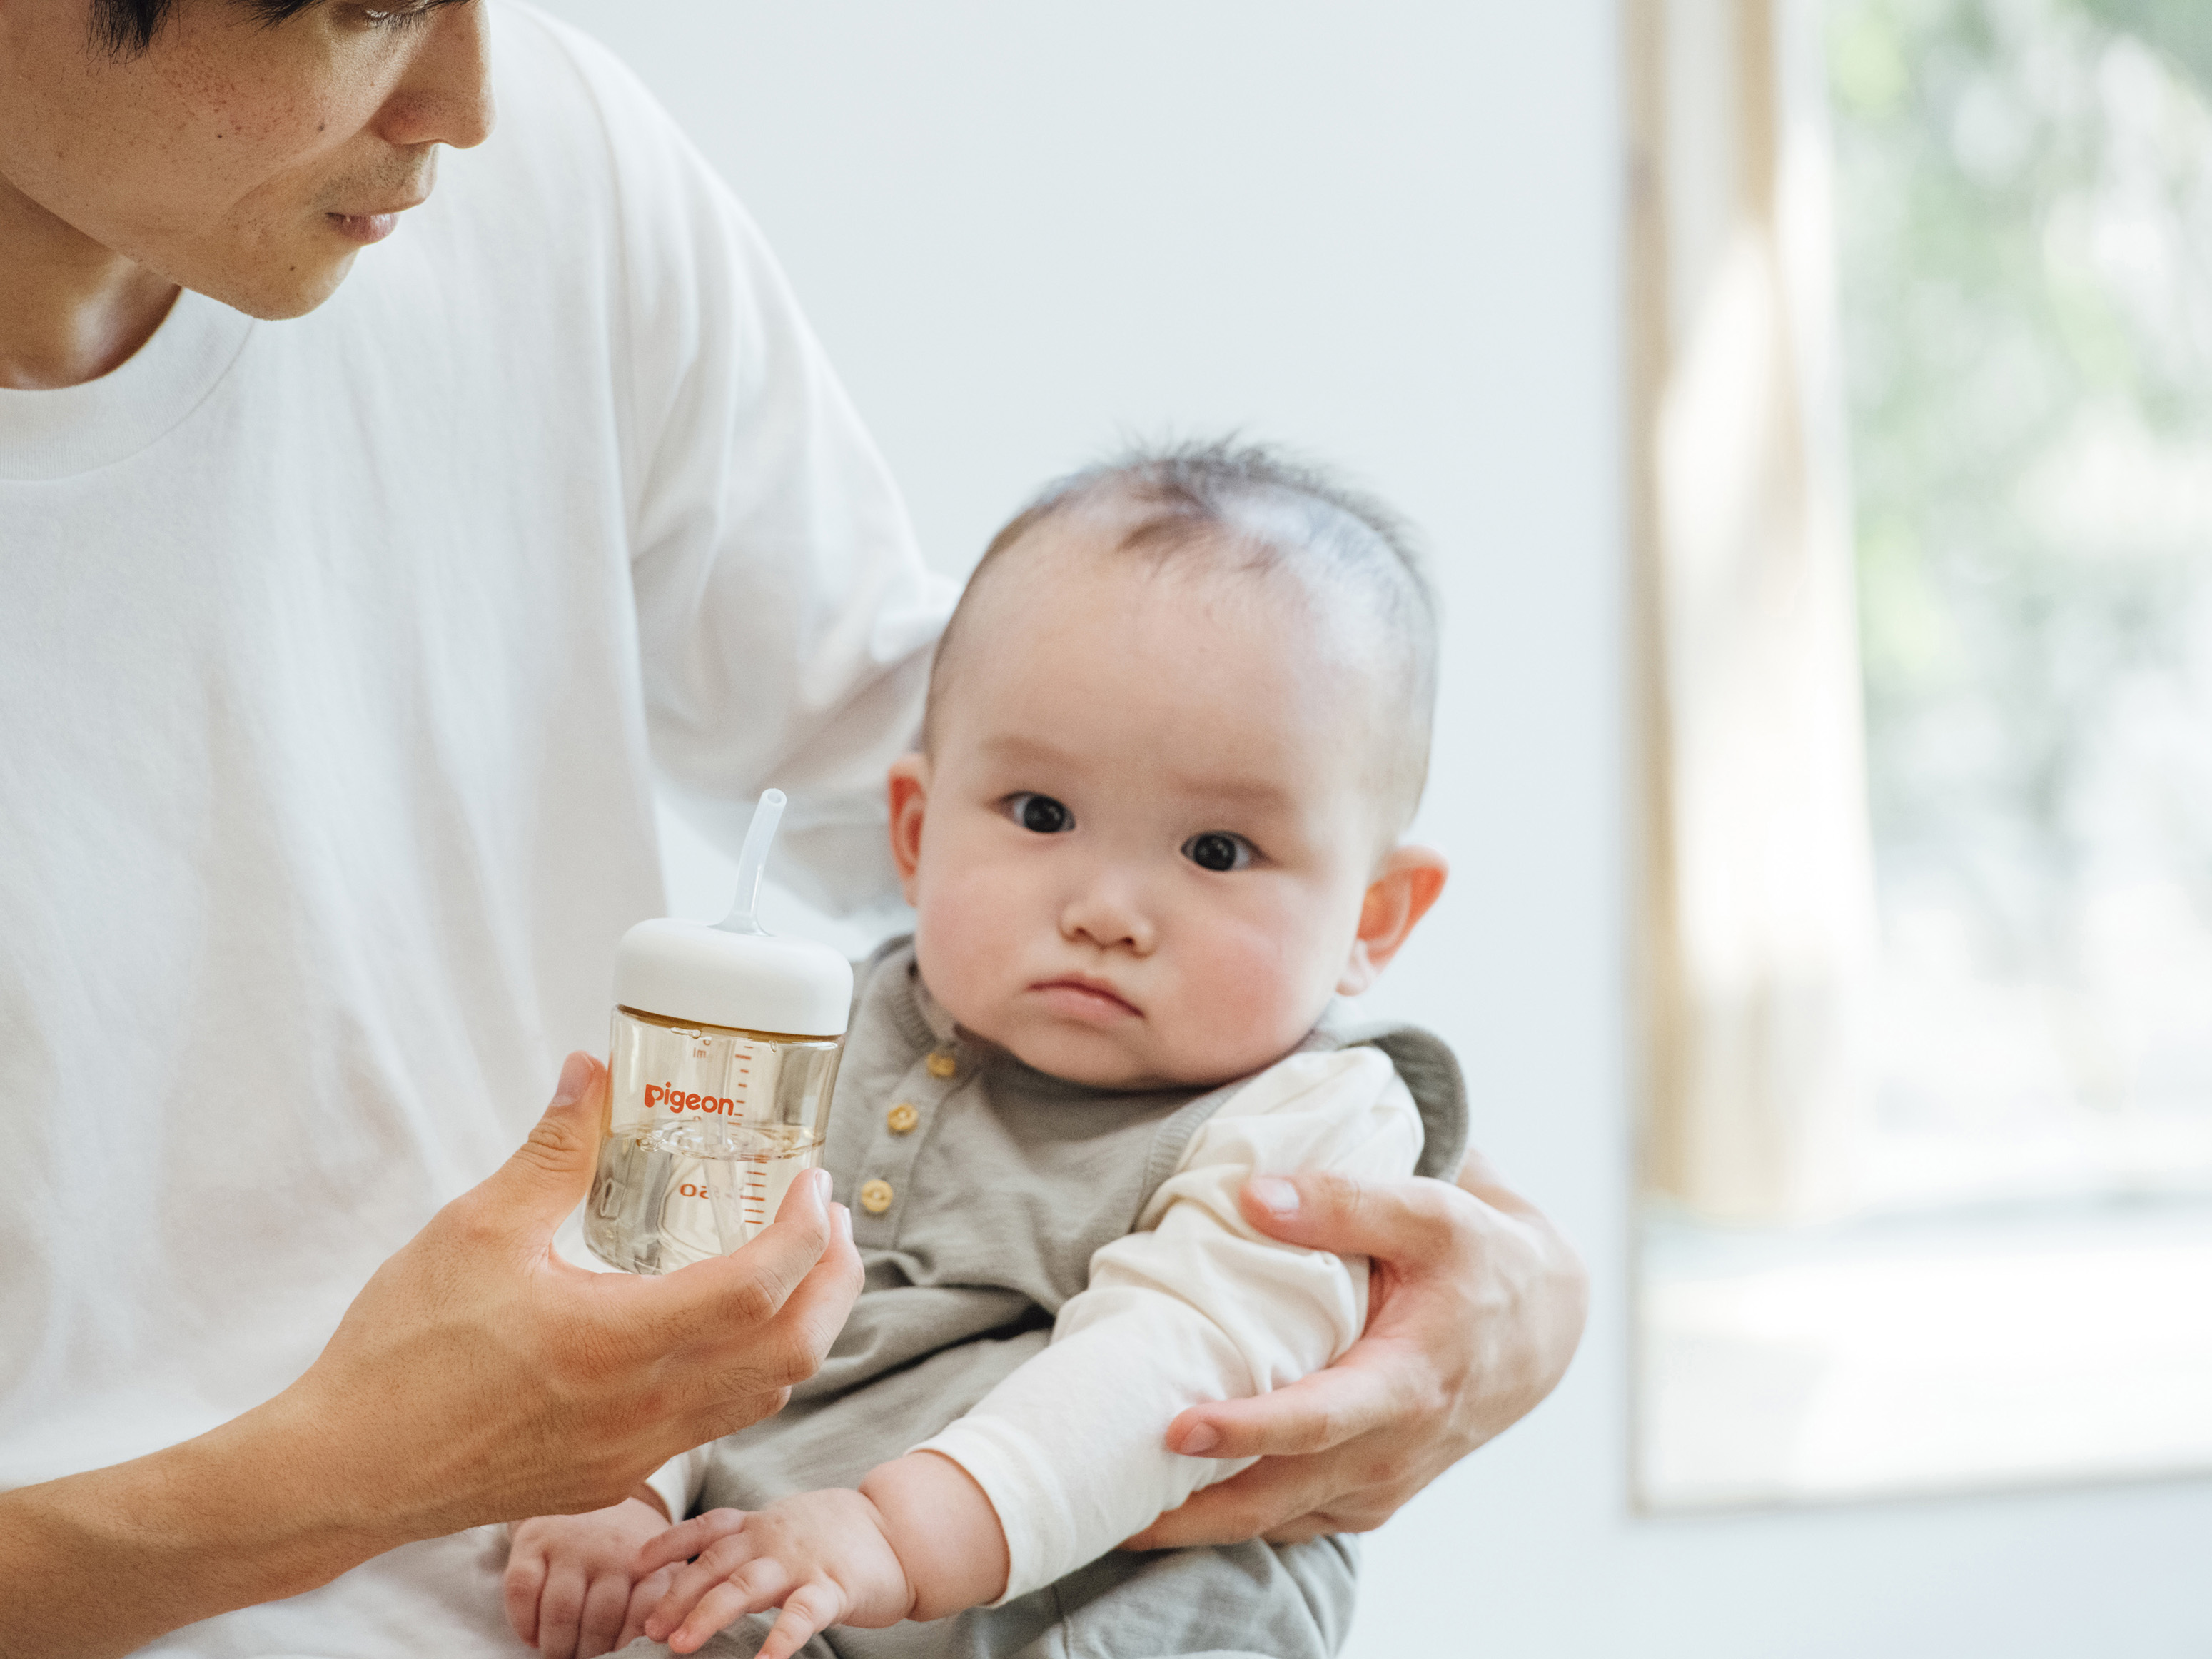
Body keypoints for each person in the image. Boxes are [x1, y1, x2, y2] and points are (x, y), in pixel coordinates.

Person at [0, 4, 1589, 1658]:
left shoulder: (548, 165)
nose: (473, 98)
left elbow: (1005, 769)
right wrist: (363, 1479)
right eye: (359, 11)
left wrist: (1500, 1274)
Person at [505, 443, 1475, 1659]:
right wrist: (622, 1490)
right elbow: (690, 1283)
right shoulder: (824, 1035)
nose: (1107, 908)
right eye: (1041, 815)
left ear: (1372, 919)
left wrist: (892, 1536)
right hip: (786, 1584)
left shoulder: (1320, 1122)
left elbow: (1171, 1372)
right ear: (914, 831)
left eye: (1217, 851)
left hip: (1098, 1610)